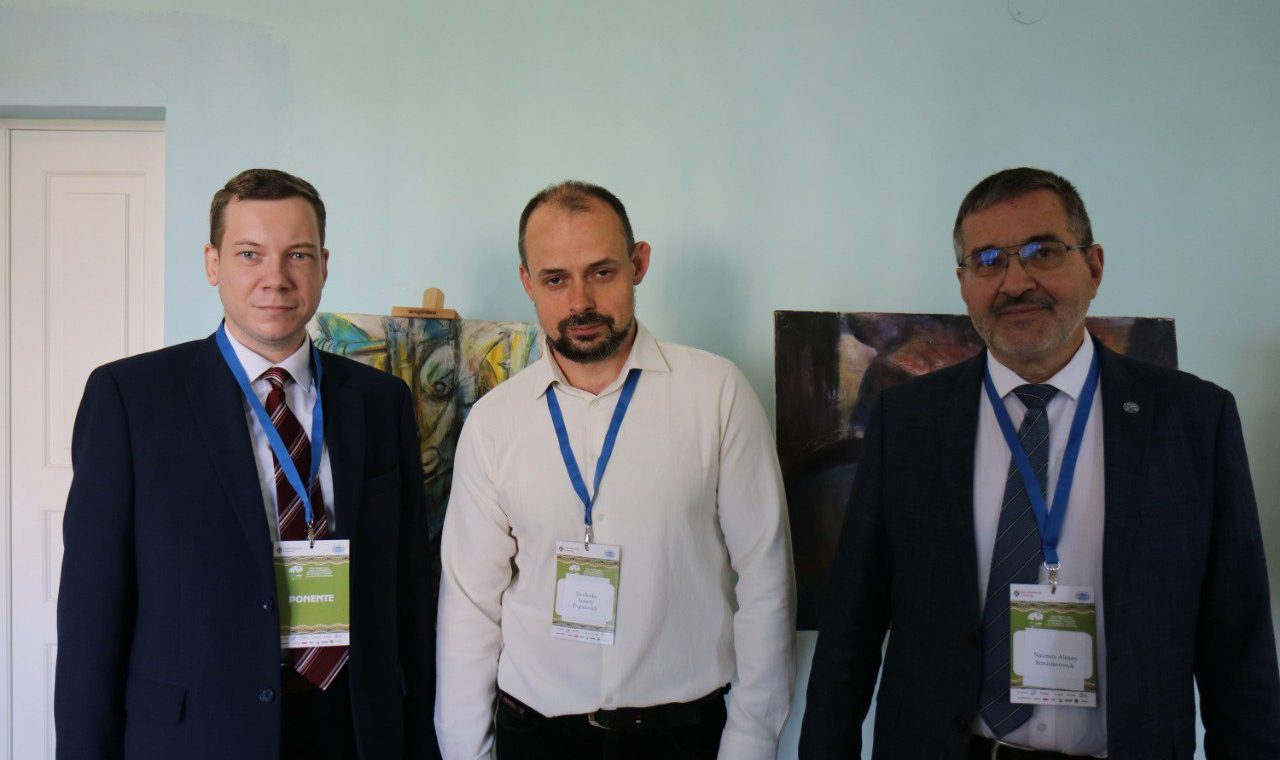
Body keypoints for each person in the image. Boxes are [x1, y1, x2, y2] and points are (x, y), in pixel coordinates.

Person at [800, 167, 1280, 758]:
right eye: (987, 261)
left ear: (1094, 267)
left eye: (1042, 251)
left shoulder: (1193, 419)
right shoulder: (908, 421)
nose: (1015, 282)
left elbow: (1239, 643)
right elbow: (852, 625)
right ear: (963, 282)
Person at [55, 168, 439, 760]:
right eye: (250, 254)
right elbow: (91, 616)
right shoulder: (129, 399)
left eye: (298, 255)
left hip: (351, 729)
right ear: (212, 263)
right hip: (196, 736)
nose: (275, 278)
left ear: (324, 265)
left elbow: (409, 593)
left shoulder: (381, 402)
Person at [435, 181, 795, 760]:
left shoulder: (717, 394)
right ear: (528, 283)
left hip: (681, 737)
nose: (579, 302)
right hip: (536, 737)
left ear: (639, 264)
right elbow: (469, 606)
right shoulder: (494, 423)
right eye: (555, 279)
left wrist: (751, 741)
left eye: (601, 272)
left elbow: (766, 578)